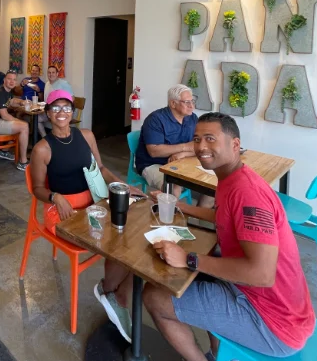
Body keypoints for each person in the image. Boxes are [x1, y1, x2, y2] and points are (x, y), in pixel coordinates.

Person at [143, 113, 315, 361]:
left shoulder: (248, 194)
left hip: (273, 322)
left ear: (235, 144)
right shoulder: (233, 178)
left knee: (154, 297)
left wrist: (189, 258)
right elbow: (224, 217)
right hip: (282, 307)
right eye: (197, 139)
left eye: (211, 139)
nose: (201, 146)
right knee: (204, 274)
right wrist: (180, 205)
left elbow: (261, 274)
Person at [30, 89, 142, 343]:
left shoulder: (87, 136)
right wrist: (55, 196)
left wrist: (122, 186)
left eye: (66, 108)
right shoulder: (42, 149)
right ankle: (110, 291)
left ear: (73, 112)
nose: (62, 113)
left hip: (92, 202)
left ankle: (112, 291)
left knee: (128, 230)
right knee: (112, 239)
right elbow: (37, 188)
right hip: (61, 210)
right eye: (55, 108)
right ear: (47, 113)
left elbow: (100, 169)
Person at [135, 84, 213, 206]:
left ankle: (197, 220)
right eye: (186, 102)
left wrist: (183, 154)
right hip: (153, 164)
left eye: (192, 101)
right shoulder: (155, 119)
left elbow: (201, 146)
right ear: (173, 104)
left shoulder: (192, 118)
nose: (192, 106)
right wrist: (186, 147)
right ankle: (165, 220)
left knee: (213, 183)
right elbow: (154, 151)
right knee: (172, 188)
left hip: (182, 161)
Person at [0, 71, 30, 171]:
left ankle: (4, 151)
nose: (12, 81)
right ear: (4, 80)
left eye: (14, 79)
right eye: (9, 79)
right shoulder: (0, 92)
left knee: (22, 123)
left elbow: (12, 101)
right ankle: (23, 162)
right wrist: (20, 122)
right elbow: (5, 116)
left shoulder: (7, 92)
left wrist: (21, 102)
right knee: (24, 126)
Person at [39, 64, 74, 137]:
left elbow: (72, 99)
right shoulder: (47, 84)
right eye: (49, 72)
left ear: (57, 74)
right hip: (49, 111)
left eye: (53, 72)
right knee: (36, 120)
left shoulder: (64, 84)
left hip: (60, 111)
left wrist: (64, 110)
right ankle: (45, 137)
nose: (51, 74)